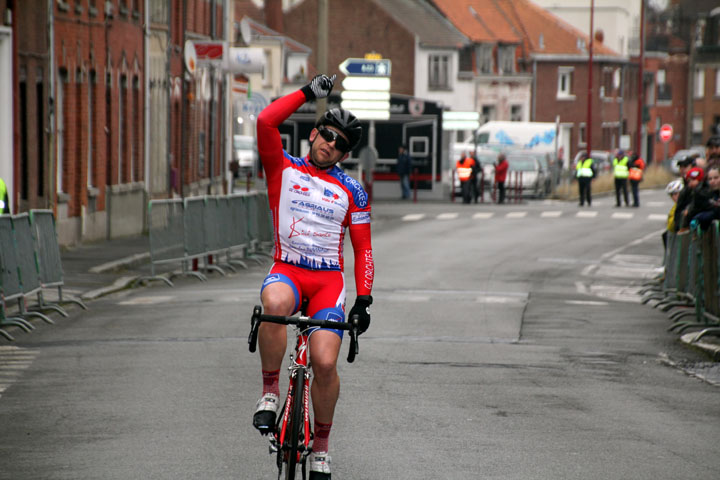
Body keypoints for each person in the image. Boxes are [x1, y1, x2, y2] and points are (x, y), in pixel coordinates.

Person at [253, 74, 374, 479]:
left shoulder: (352, 191)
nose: (330, 144)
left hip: (327, 282)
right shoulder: (282, 167)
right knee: (274, 307)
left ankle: (321, 445)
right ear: (313, 134)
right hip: (287, 269)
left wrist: (364, 299)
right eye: (326, 134)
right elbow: (265, 122)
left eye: (340, 143)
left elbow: (364, 250)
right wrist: (307, 93)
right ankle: (271, 393)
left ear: (345, 154)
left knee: (324, 362)